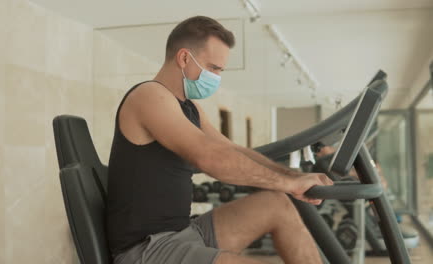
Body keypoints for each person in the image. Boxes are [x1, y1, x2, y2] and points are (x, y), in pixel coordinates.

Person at [106, 16, 333, 264]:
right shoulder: (149, 95)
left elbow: (229, 148)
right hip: (149, 250)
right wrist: (287, 184)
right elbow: (211, 158)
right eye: (213, 68)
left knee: (277, 204)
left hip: (185, 233)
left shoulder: (188, 107)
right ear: (184, 58)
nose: (216, 77)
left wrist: (293, 177)